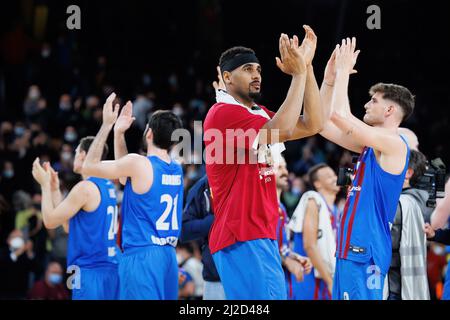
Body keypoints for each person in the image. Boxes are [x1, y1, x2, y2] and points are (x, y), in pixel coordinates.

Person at [203, 26, 323, 300]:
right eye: (247, 69)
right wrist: (298, 74)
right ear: (226, 77)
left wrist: (308, 67)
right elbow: (283, 129)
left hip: (258, 234)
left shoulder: (255, 113)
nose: (256, 74)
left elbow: (314, 123)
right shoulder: (222, 113)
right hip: (241, 234)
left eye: (258, 68)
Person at [318, 38, 412, 300]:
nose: (366, 105)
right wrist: (328, 81)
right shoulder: (369, 146)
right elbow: (323, 123)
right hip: (350, 249)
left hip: (365, 251)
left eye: (373, 101)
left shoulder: (394, 144)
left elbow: (340, 115)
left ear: (390, 109)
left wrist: (344, 73)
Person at [81, 94, 184, 300]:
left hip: (142, 255)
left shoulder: (139, 164)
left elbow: (89, 166)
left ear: (149, 134)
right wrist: (119, 135)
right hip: (168, 257)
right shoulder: (176, 168)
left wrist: (107, 126)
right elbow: (123, 176)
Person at [31, 136, 120, 300]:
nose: (74, 155)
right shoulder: (107, 185)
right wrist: (55, 190)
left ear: (84, 155)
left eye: (76, 151)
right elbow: (71, 227)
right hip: (110, 269)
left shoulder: (85, 188)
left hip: (90, 269)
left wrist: (44, 186)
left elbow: (50, 221)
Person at [288, 163, 340, 300]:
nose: (335, 177)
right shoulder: (313, 200)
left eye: (335, 174)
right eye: (329, 176)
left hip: (328, 274)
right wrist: (330, 281)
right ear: (317, 183)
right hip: (309, 277)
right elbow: (309, 245)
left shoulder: (336, 210)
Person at [386, 150, 430, 300]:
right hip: (403, 283)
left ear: (408, 173)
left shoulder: (406, 201)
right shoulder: (423, 197)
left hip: (395, 284)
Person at [179, 174, 225, 300]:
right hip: (215, 275)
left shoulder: (248, 179)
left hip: (247, 271)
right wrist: (215, 220)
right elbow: (184, 230)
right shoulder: (203, 185)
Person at [273, 156, 312, 299]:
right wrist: (286, 261)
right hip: (269, 281)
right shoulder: (265, 207)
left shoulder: (281, 207)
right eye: (279, 168)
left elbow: (281, 246)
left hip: (284, 281)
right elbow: (261, 248)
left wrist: (295, 257)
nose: (285, 172)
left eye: (285, 167)